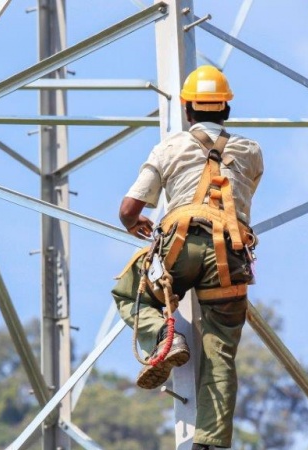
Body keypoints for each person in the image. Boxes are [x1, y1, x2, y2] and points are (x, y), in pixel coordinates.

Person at [111, 65, 264, 449]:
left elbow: (129, 209)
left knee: (130, 292)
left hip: (180, 246)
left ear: (187, 109)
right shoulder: (251, 151)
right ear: (226, 109)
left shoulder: (170, 147)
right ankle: (209, 443)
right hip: (229, 259)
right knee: (220, 351)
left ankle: (165, 336)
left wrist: (136, 224)